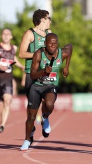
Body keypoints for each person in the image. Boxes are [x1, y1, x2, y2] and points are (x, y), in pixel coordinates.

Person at [19, 9, 71, 145]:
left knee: (48, 101)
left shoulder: (49, 33)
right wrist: (39, 54)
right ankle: (30, 132)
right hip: (32, 72)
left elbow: (56, 50)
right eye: (49, 18)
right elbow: (21, 54)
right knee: (32, 105)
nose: (50, 20)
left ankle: (45, 117)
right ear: (42, 19)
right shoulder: (30, 33)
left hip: (48, 73)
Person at [0, 28, 24, 133]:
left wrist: (21, 66)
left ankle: (2, 125)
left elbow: (13, 59)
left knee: (7, 101)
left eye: (8, 34)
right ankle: (2, 119)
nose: (6, 36)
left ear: (11, 37)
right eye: (4, 34)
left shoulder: (14, 48)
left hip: (8, 79)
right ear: (1, 35)